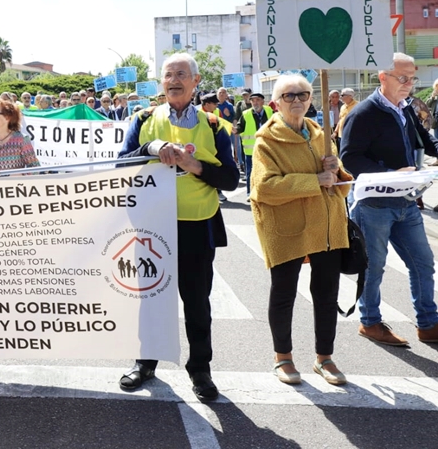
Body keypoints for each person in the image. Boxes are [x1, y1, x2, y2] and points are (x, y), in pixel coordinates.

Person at [117, 52, 239, 402]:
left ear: (195, 82)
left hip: (197, 227)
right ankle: (145, 362)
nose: (174, 80)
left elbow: (230, 179)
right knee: (151, 298)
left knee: (197, 302)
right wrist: (152, 148)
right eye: (168, 74)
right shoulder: (142, 119)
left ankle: (200, 369)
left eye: (181, 74)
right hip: (151, 227)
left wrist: (194, 165)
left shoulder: (215, 125)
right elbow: (122, 164)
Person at [250, 75, 352, 386]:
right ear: (276, 102)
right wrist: (314, 181)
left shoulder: (320, 133)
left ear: (311, 99)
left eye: (303, 94)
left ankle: (325, 358)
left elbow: (340, 186)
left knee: (326, 293)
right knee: (283, 293)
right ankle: (283, 357)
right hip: (287, 227)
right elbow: (264, 188)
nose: (297, 100)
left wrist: (337, 172)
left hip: (325, 226)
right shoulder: (266, 140)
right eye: (289, 95)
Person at [341, 53, 438, 346]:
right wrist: (391, 173)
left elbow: (424, 140)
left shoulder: (404, 108)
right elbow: (349, 157)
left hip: (405, 202)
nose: (409, 84)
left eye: (412, 78)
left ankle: (428, 324)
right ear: (383, 78)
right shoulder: (363, 113)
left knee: (423, 263)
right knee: (373, 266)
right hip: (373, 205)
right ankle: (369, 322)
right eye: (403, 78)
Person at [236, 92, 273, 195]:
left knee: (268, 170)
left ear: (262, 101)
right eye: (252, 100)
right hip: (251, 149)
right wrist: (235, 130)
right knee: (250, 172)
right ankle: (250, 193)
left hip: (268, 147)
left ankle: (266, 191)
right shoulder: (246, 114)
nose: (255, 103)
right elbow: (240, 127)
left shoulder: (270, 111)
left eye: (257, 100)